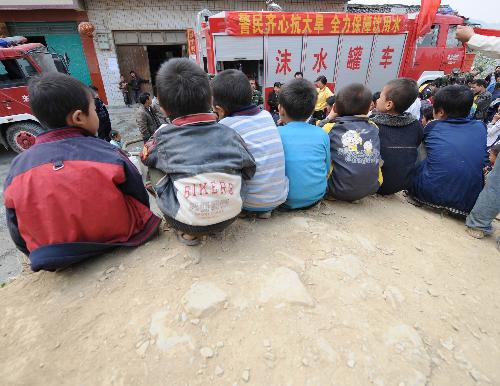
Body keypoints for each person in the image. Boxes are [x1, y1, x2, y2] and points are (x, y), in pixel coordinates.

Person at [3, 72, 161, 272]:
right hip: (117, 237)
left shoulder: (17, 167)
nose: (98, 114)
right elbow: (140, 198)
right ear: (78, 117)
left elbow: (15, 228)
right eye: (94, 109)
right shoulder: (109, 152)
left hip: (51, 254)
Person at [140, 59, 256, 246]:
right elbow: (250, 169)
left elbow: (145, 157)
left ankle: (188, 234)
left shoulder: (161, 137)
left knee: (148, 165)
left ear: (161, 105)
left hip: (187, 223)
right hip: (230, 217)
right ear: (210, 98)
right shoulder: (230, 133)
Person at [212, 70, 288, 219]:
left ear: (220, 110)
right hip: (279, 197)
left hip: (248, 202)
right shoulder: (266, 115)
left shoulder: (225, 126)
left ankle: (250, 209)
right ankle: (264, 210)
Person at [409, 85, 487, 215]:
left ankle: (416, 188)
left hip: (427, 194)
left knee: (422, 143)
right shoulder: (481, 127)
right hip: (469, 203)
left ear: (440, 112)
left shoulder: (432, 126)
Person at [277, 78, 330, 209]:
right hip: (315, 196)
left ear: (281, 109)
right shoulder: (322, 134)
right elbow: (326, 168)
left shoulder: (275, 133)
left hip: (283, 198)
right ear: (312, 111)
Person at [327, 83, 382, 202]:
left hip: (337, 189)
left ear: (335, 107)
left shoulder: (330, 127)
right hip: (371, 187)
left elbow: (316, 133)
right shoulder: (374, 127)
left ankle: (333, 194)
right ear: (369, 109)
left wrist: (329, 117)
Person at [371, 78, 424, 195]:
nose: (378, 99)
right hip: (402, 184)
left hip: (377, 184)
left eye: (380, 96)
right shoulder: (416, 126)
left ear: (389, 104)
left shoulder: (373, 125)